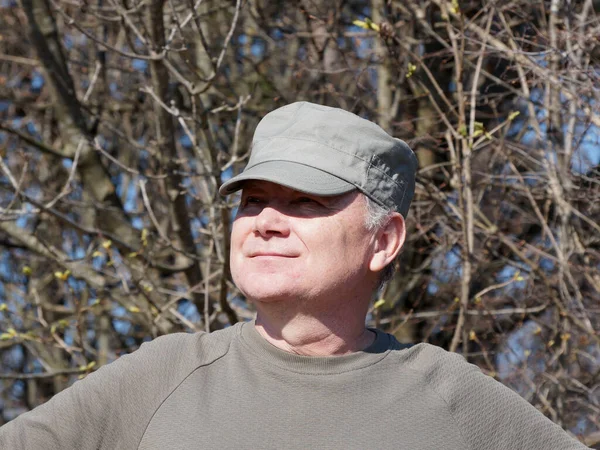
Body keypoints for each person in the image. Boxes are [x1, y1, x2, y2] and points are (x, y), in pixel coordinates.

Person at [0, 102, 588, 449]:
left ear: (382, 241)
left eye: (307, 202)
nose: (266, 222)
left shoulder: (454, 400)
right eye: (252, 201)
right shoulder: (161, 379)